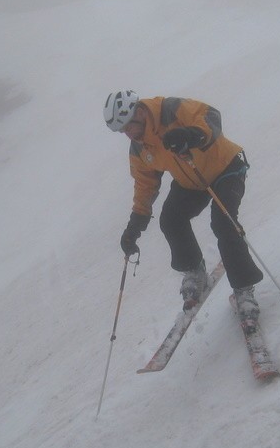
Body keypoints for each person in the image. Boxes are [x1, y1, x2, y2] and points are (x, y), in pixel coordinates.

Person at [104, 90, 263, 317]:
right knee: (171, 219)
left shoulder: (170, 110)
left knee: (223, 222)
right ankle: (195, 272)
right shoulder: (140, 148)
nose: (127, 134)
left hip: (225, 168)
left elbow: (211, 116)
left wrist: (191, 135)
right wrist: (134, 226)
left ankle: (244, 291)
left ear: (139, 112)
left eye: (128, 126)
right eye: (122, 130)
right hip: (192, 180)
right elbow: (145, 185)